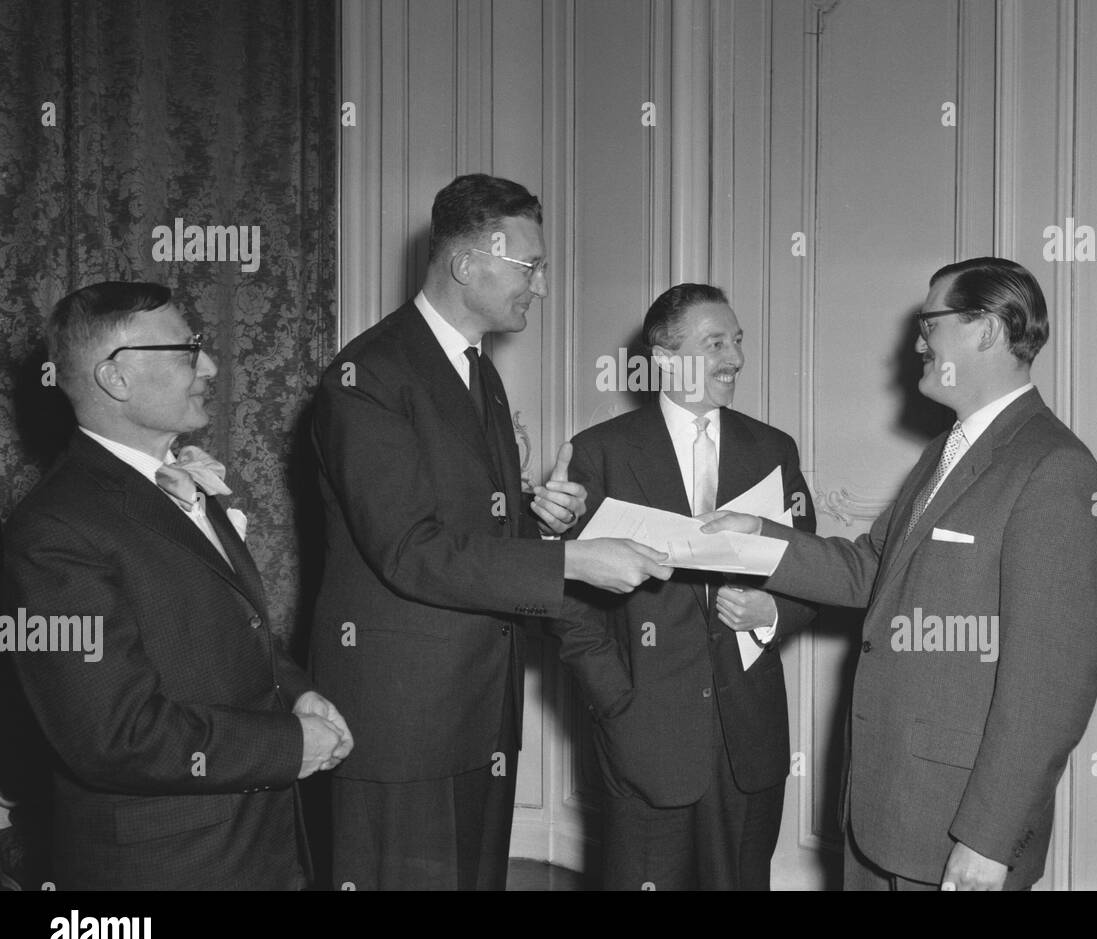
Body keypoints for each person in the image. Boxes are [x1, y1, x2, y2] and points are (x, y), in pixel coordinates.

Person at [309, 173, 671, 891]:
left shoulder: (478, 374)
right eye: (528, 266)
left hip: (479, 707)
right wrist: (568, 562)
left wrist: (540, 521)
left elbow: (467, 530)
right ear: (468, 264)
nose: (539, 284)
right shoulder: (369, 376)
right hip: (402, 716)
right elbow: (409, 550)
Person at [706, 257, 1097, 891]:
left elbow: (1050, 687)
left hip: (954, 833)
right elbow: (873, 568)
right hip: (883, 813)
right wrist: (763, 538)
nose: (917, 341)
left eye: (930, 323)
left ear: (986, 330)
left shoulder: (1053, 468)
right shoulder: (948, 449)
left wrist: (988, 840)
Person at [0, 281, 351, 890]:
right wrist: (288, 746)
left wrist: (293, 690)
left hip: (258, 847)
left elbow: (227, 629)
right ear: (116, 380)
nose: (210, 366)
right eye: (188, 351)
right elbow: (114, 735)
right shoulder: (53, 533)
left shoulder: (177, 480)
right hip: (167, 868)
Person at [553, 284, 818, 890]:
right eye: (716, 343)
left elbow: (811, 569)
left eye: (738, 341)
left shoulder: (773, 450)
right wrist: (615, 696)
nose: (736, 358)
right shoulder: (601, 454)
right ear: (666, 360)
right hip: (644, 734)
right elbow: (564, 598)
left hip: (748, 740)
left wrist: (773, 610)